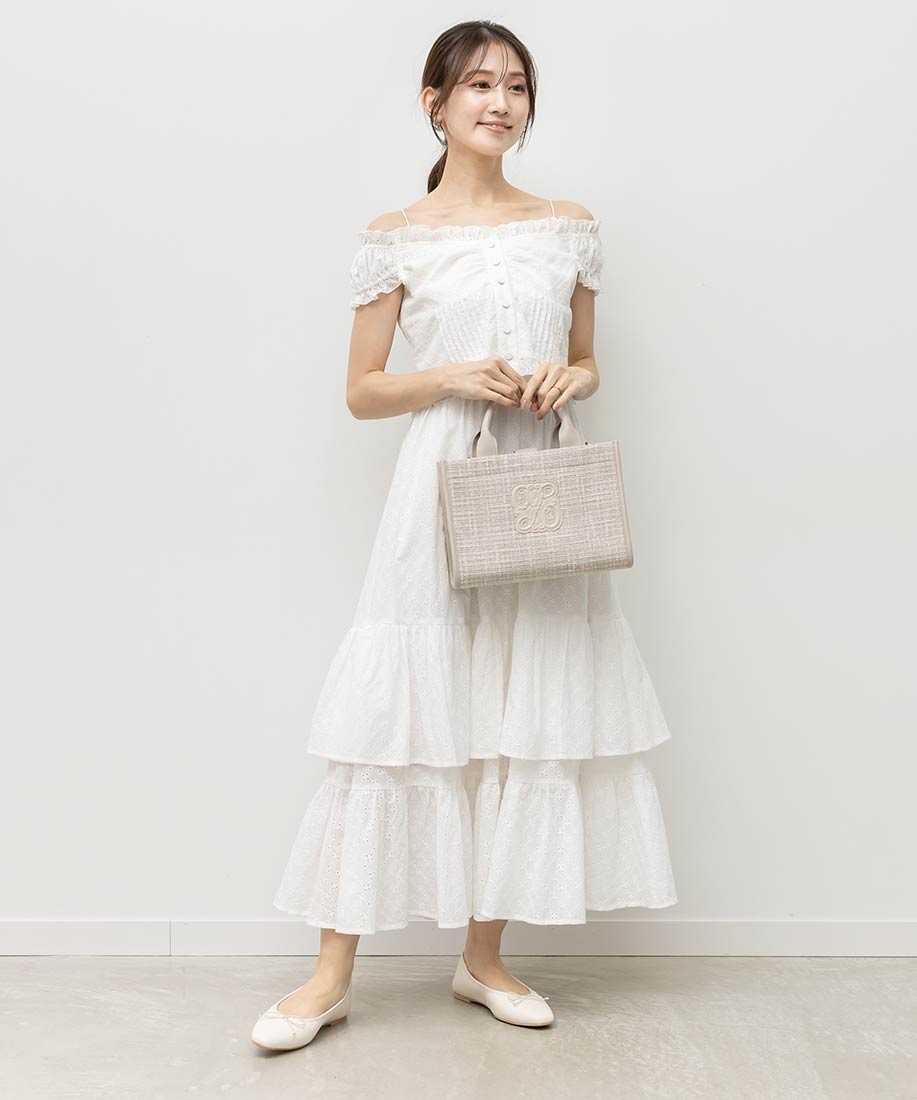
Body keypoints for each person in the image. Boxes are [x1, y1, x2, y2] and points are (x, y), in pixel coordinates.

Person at [251, 19, 677, 1051]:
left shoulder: (567, 226)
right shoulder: (396, 235)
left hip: (540, 480)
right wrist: (448, 375)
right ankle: (328, 975)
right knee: (399, 706)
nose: (500, 102)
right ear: (434, 104)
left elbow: (587, 360)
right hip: (438, 480)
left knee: (523, 707)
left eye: (516, 86)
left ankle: (482, 957)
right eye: (478, 84)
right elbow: (361, 389)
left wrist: (570, 376)